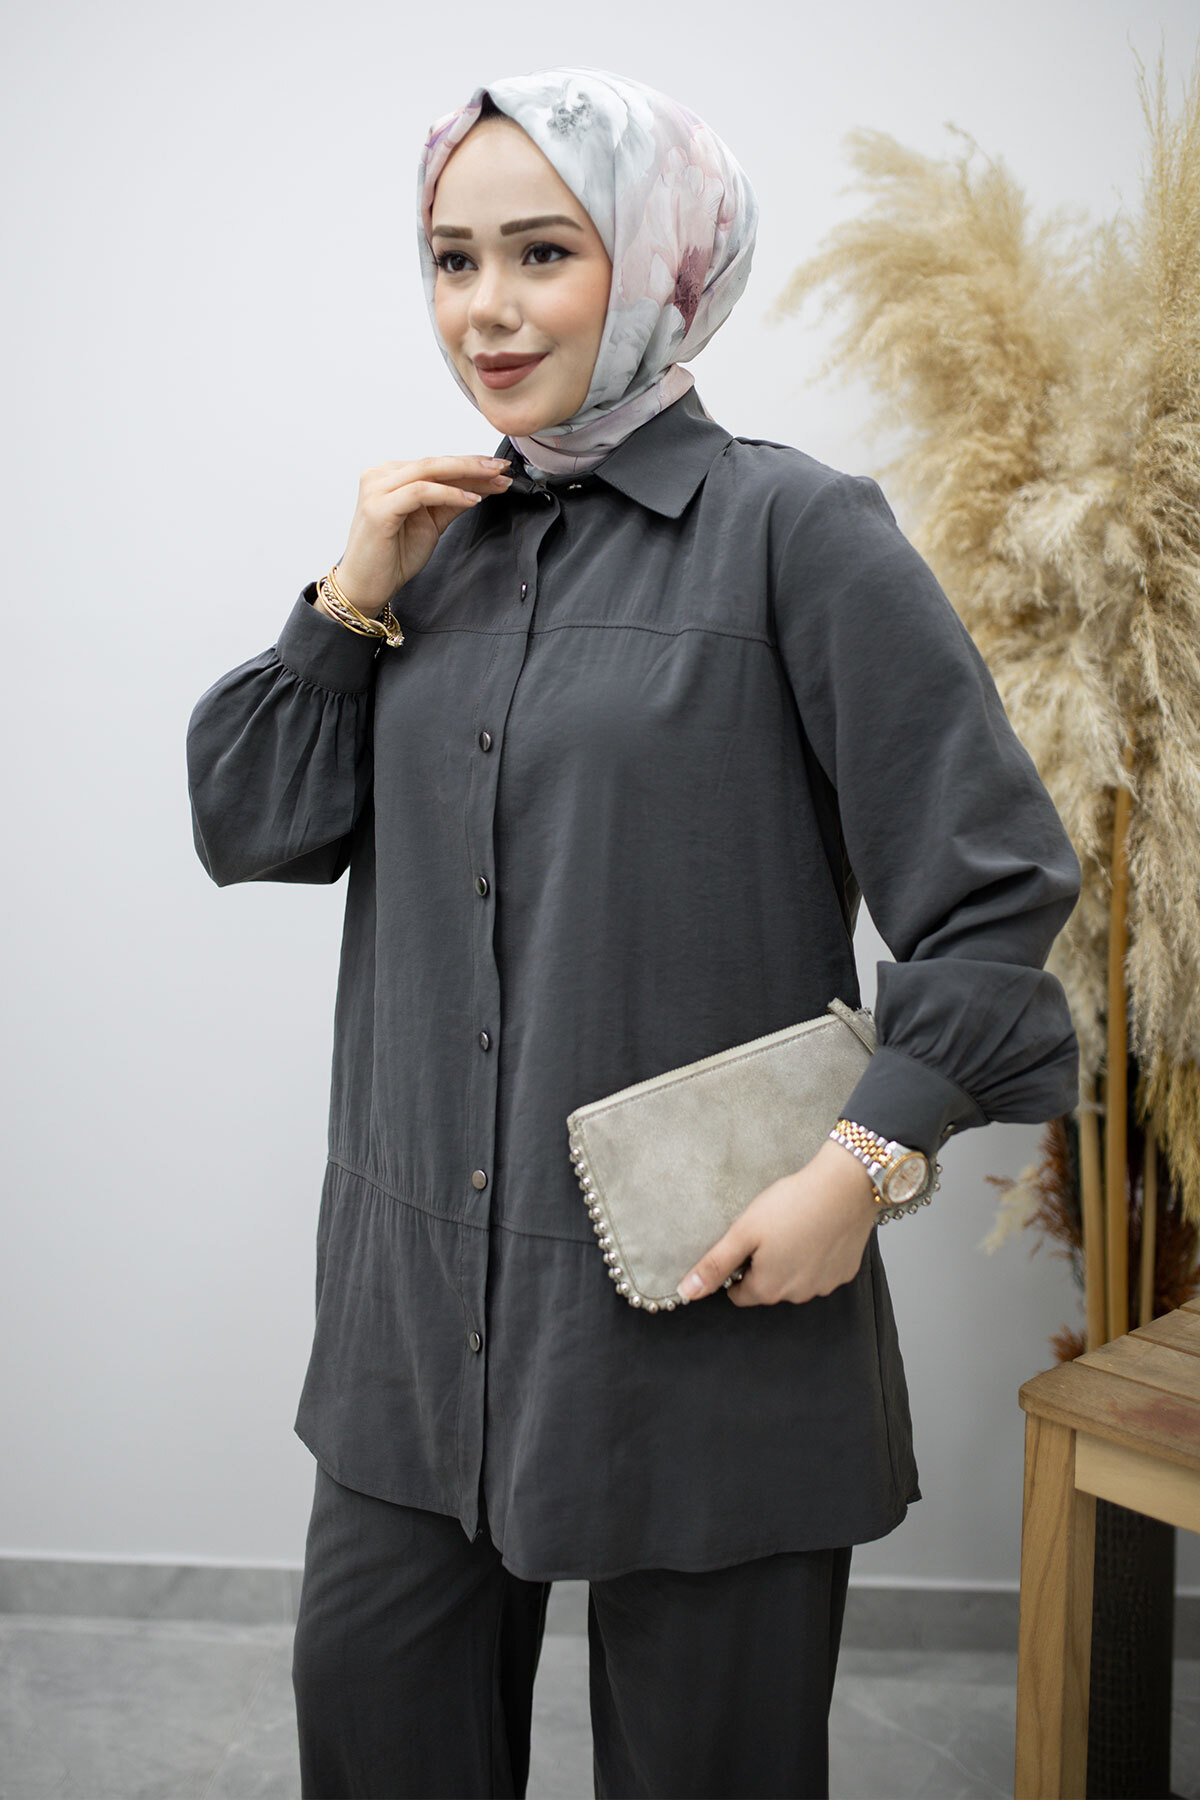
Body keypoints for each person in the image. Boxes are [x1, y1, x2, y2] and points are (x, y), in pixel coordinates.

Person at [185, 65, 1082, 1800]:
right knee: (374, 1734)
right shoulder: (428, 553)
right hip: (419, 1322)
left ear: (665, 262)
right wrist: (349, 594)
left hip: (712, 1296)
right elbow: (250, 825)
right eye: (453, 259)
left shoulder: (797, 534)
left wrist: (860, 1171)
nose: (487, 307)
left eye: (543, 252)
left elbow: (991, 894)